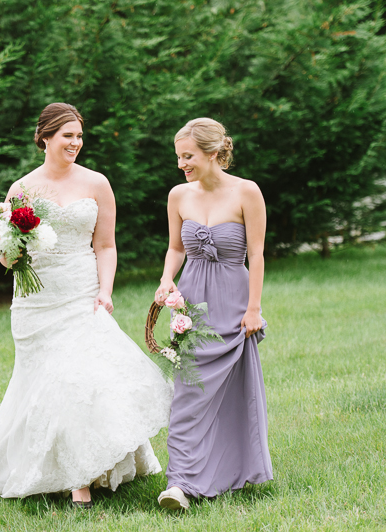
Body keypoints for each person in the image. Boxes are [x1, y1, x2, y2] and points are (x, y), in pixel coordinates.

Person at [0, 103, 172, 508]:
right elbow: (7, 255)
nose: (76, 143)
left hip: (82, 292)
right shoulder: (21, 189)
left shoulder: (97, 183)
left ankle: (84, 473)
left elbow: (105, 244)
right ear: (45, 137)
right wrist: (6, 250)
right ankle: (67, 471)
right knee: (49, 384)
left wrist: (106, 290)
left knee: (82, 380)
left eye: (79, 136)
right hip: (36, 301)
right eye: (68, 135)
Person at [154, 118, 272, 511]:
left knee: (234, 396)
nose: (181, 165)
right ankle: (180, 484)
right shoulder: (178, 196)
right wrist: (167, 279)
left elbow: (256, 255)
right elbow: (176, 248)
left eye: (187, 157)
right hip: (193, 306)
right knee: (188, 395)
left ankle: (228, 473)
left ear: (213, 153)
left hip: (235, 305)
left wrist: (253, 308)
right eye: (178, 157)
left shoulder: (246, 192)